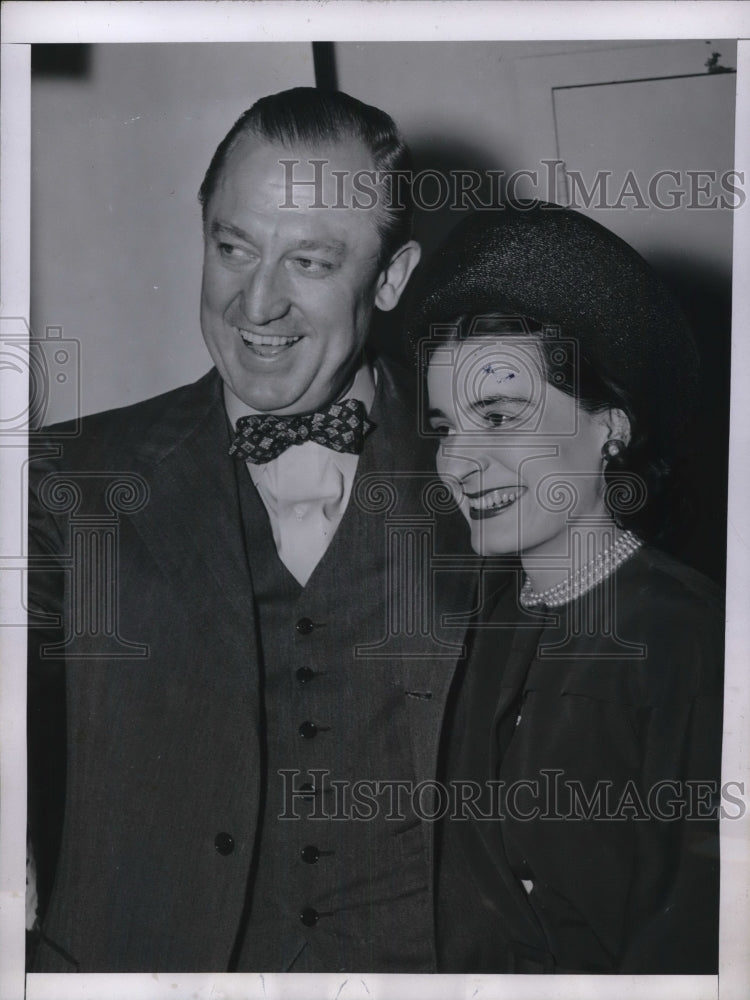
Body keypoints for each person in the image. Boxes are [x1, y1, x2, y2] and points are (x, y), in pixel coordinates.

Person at [26, 87, 476, 973]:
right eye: (233, 249)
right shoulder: (63, 477)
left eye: (309, 262)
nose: (255, 304)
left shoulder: (489, 477)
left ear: (389, 278)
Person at [408, 204, 724, 973]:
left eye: (501, 418)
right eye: (447, 426)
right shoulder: (474, 628)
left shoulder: (690, 638)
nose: (459, 464)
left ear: (610, 427)